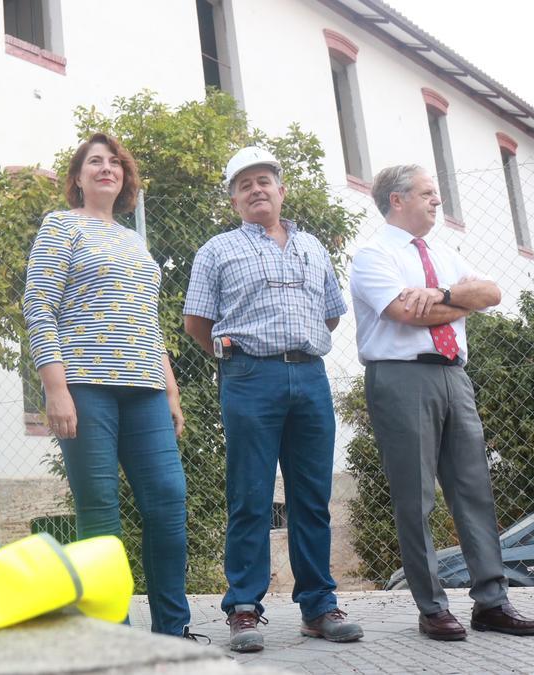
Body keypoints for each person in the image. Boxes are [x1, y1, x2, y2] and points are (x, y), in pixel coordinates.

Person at [349, 164, 534, 641]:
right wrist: (462, 301)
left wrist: (441, 293)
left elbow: (493, 293)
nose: (437, 201)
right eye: (427, 193)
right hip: (400, 378)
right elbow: (404, 313)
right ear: (397, 200)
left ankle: (492, 602)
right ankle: (432, 608)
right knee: (415, 497)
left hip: (454, 377)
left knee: (474, 489)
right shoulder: (373, 256)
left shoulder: (443, 253)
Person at [183, 147, 363, 652]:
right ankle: (243, 607)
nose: (257, 189)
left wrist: (294, 344)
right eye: (245, 185)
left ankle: (320, 607)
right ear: (235, 200)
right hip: (248, 378)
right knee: (250, 495)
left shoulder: (315, 249)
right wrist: (235, 357)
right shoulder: (216, 251)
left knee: (312, 497)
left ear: (281, 190)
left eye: (265, 181)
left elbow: (330, 313)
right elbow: (196, 323)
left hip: (309, 377)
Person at [22, 133, 194, 639]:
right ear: (77, 178)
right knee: (99, 512)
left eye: (114, 162)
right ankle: (111, 635)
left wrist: (171, 390)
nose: (106, 168)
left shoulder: (134, 240)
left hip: (144, 388)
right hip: (86, 387)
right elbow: (39, 305)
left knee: (168, 500)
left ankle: (173, 632)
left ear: (125, 178)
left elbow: (148, 320)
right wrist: (56, 388)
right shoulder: (61, 226)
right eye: (94, 161)